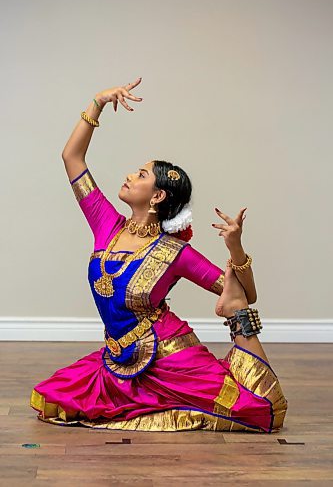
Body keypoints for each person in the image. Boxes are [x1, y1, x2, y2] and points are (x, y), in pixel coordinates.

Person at [30, 78, 288, 433]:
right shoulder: (106, 223)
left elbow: (246, 291)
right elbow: (71, 157)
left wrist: (235, 249)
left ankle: (236, 320)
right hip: (118, 358)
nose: (129, 176)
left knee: (260, 410)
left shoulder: (175, 252)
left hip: (171, 357)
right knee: (56, 395)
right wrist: (98, 102)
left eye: (141, 175)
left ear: (157, 197)